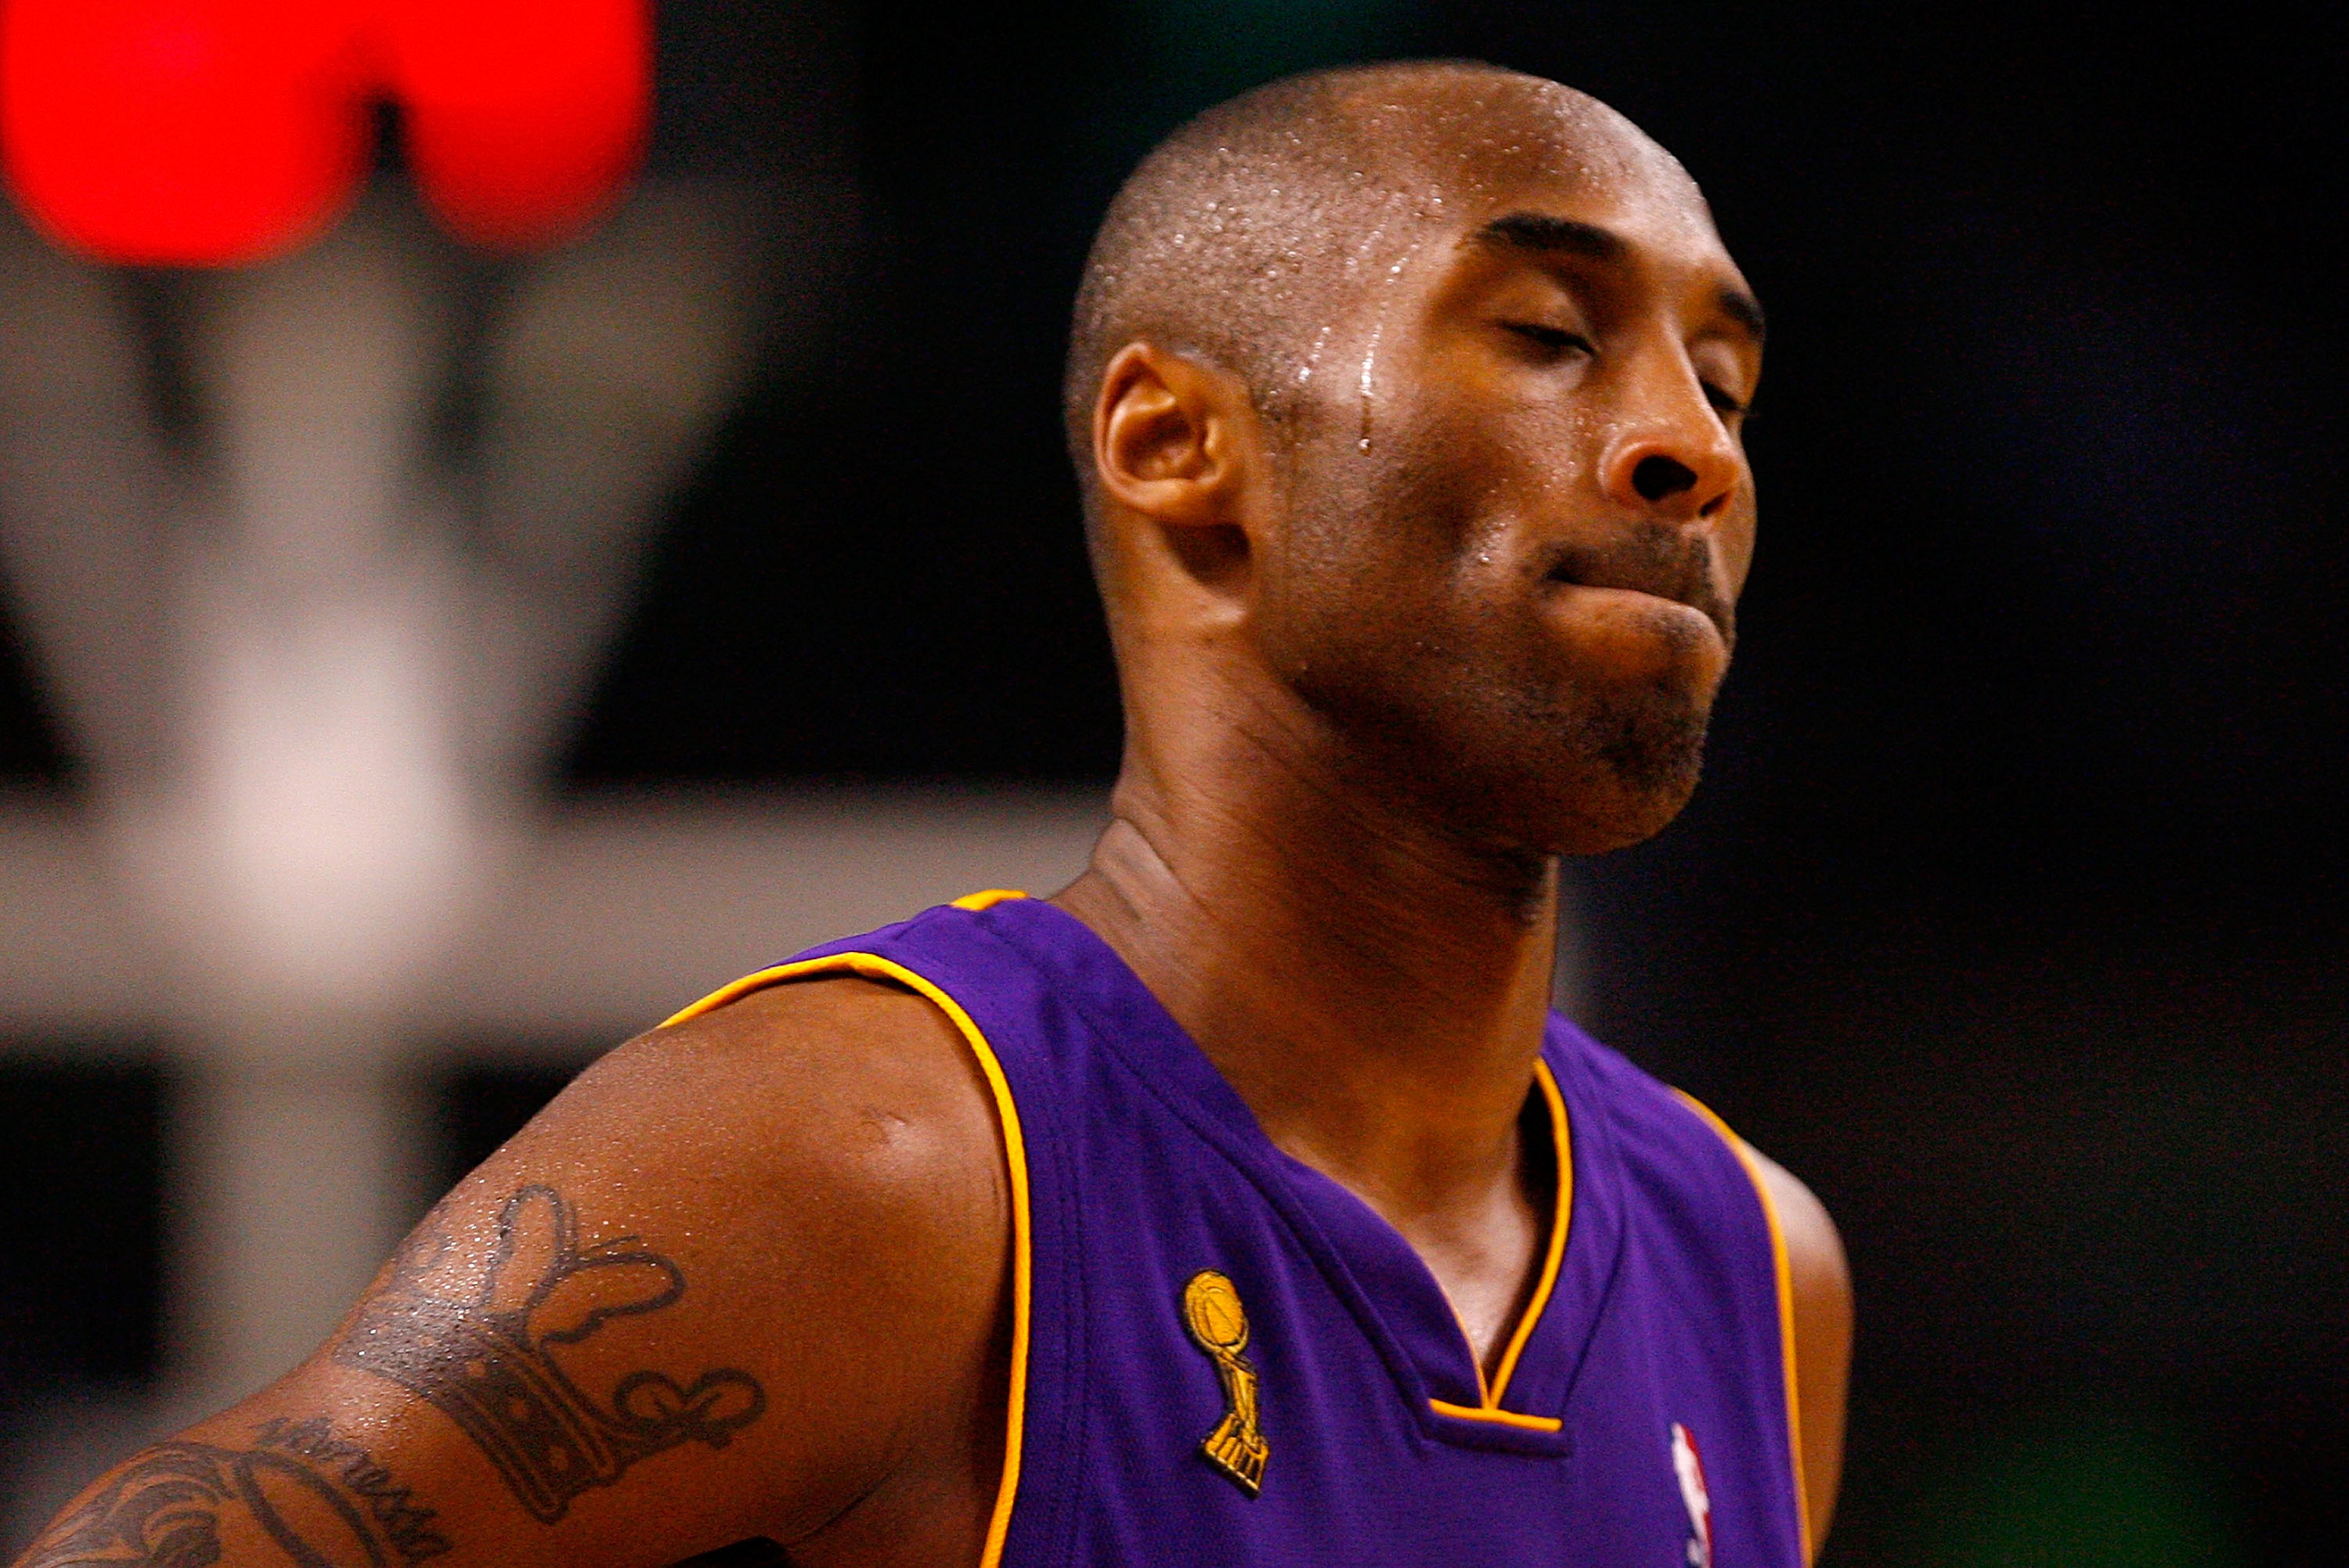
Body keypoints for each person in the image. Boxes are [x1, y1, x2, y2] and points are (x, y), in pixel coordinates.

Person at [16, 59, 1850, 1568]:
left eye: (1730, 377)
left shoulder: (1755, 1267)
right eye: (1546, 332)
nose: (1692, 444)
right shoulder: (880, 1164)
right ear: (1174, 448)